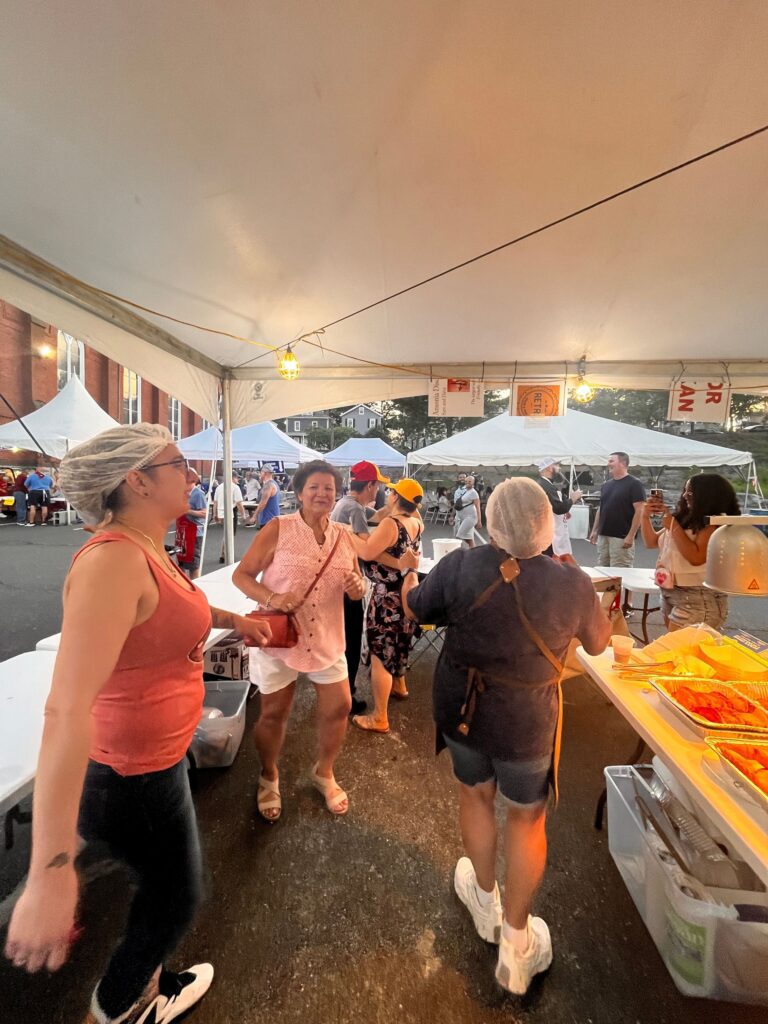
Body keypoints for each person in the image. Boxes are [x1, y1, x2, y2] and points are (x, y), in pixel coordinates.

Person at [3, 424, 272, 1024]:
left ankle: (138, 983)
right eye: (180, 464)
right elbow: (65, 709)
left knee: (161, 884)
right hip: (133, 772)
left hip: (155, 761)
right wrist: (48, 872)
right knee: (176, 898)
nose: (193, 474)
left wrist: (234, 620)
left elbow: (174, 609)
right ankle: (121, 1006)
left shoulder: (146, 546)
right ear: (138, 481)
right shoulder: (114, 561)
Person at [401, 478, 610, 995]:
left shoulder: (459, 565)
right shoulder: (573, 582)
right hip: (528, 721)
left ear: (491, 520)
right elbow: (599, 644)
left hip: (463, 709)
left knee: (475, 795)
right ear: (547, 523)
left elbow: (416, 608)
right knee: (526, 818)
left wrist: (406, 576)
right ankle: (516, 945)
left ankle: (483, 898)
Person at [233, 460, 366, 821]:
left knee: (340, 706)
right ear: (300, 492)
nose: (322, 494)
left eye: (329, 488)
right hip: (279, 637)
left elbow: (355, 584)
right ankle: (269, 775)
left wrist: (358, 587)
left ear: (337, 494)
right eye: (314, 487)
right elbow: (241, 576)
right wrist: (273, 597)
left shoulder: (344, 535)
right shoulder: (279, 528)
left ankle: (324, 771)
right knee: (274, 713)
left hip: (326, 636)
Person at [331, 462, 420, 716]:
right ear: (370, 485)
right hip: (353, 583)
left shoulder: (347, 505)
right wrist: (401, 563)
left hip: (353, 583)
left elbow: (375, 524)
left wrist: (392, 507)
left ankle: (347, 693)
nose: (380, 489)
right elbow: (367, 550)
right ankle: (347, 695)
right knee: (359, 642)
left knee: (372, 643)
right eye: (378, 485)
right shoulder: (356, 510)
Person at [348, 479, 424, 734]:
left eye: (391, 491)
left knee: (380, 654)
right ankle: (400, 685)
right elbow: (395, 555)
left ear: (395, 496)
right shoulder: (416, 522)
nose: (387, 493)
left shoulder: (391, 524)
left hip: (386, 598)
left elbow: (367, 552)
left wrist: (346, 534)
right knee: (399, 643)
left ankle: (379, 717)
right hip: (406, 593)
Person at [640, 474, 740, 630]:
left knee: (678, 644)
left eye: (691, 492)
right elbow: (651, 542)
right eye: (685, 490)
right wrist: (645, 516)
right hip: (671, 591)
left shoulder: (713, 522)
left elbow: (696, 557)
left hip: (697, 596)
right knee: (675, 643)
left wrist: (673, 525)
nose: (685, 495)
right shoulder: (685, 519)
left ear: (707, 495)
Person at [588, 452, 645, 567]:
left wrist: (631, 535)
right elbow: (601, 508)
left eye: (611, 461)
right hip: (604, 535)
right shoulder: (606, 485)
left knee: (620, 570)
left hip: (621, 537)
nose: (608, 464)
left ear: (623, 463)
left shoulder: (634, 484)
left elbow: (640, 510)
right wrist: (594, 530)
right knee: (602, 569)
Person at [535, 459, 582, 557]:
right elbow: (559, 508)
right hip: (549, 535)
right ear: (549, 468)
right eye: (557, 466)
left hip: (548, 532)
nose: (559, 468)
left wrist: (566, 505)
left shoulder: (546, 484)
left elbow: (554, 505)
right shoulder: (545, 485)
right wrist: (573, 498)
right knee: (553, 561)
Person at [178, 469, 208, 579]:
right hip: (182, 532)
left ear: (192, 481)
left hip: (194, 532)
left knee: (193, 564)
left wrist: (187, 511)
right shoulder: (182, 493)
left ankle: (195, 583)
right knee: (180, 562)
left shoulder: (198, 494)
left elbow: (204, 513)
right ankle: (183, 585)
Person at [215, 470, 245, 562]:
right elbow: (239, 503)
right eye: (237, 478)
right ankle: (225, 554)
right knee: (229, 535)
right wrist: (243, 515)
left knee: (226, 534)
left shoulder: (219, 487)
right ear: (233, 477)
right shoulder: (235, 487)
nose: (237, 480)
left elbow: (215, 502)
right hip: (230, 513)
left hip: (221, 512)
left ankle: (223, 554)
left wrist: (214, 514)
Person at [454, 474, 481, 548]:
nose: (467, 483)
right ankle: (473, 552)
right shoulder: (466, 491)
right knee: (469, 539)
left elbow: (478, 507)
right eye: (466, 481)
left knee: (459, 536)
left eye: (470, 481)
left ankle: (460, 552)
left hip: (470, 518)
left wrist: (479, 521)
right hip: (464, 518)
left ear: (473, 482)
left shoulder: (474, 493)